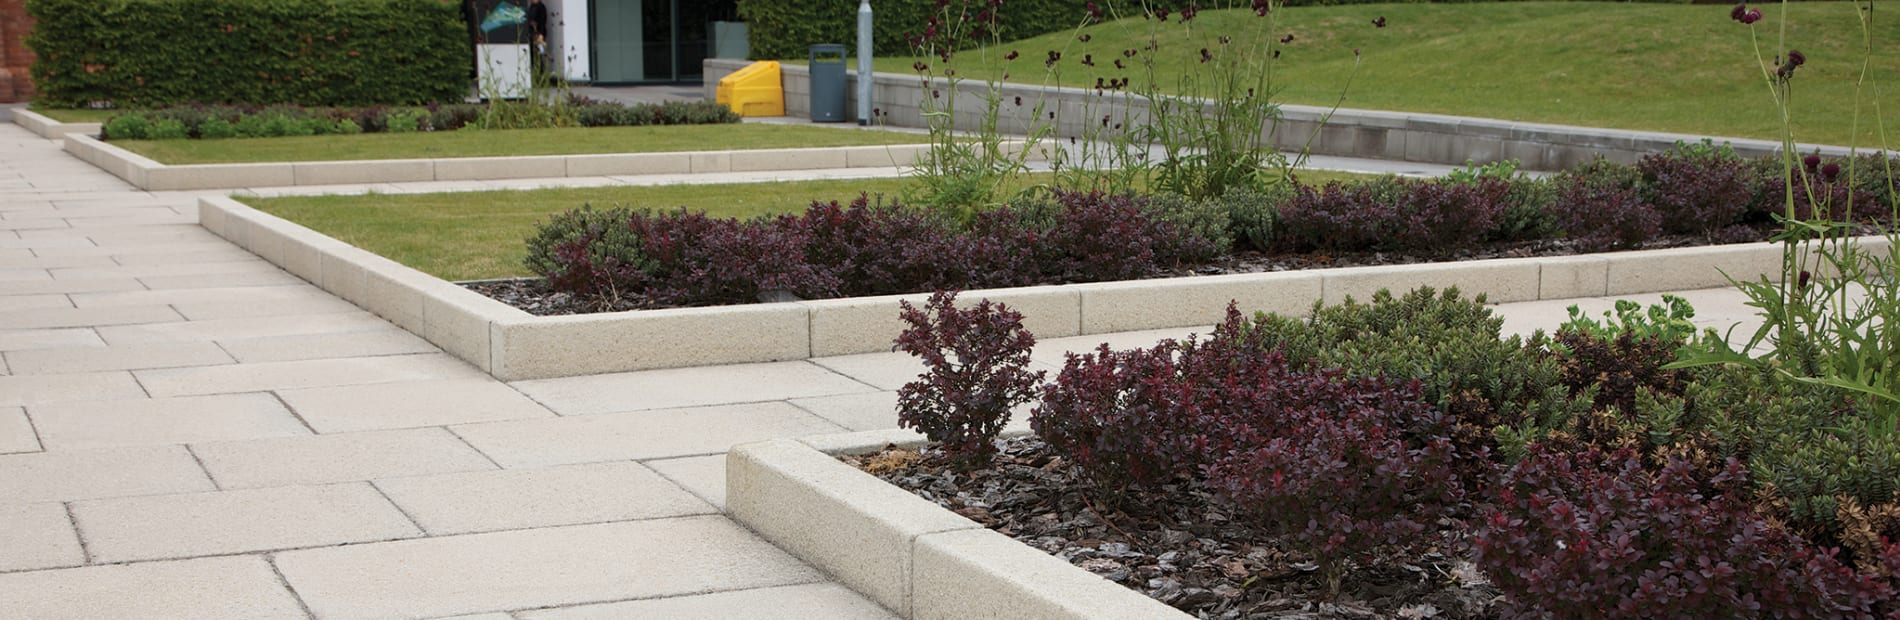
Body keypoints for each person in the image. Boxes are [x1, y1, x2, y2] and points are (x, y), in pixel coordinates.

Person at [527, 0, 550, 76]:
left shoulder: (541, 7)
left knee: (538, 56)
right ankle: (536, 74)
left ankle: (540, 75)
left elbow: (542, 21)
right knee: (533, 56)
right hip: (532, 33)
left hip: (538, 34)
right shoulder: (531, 6)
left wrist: (541, 34)